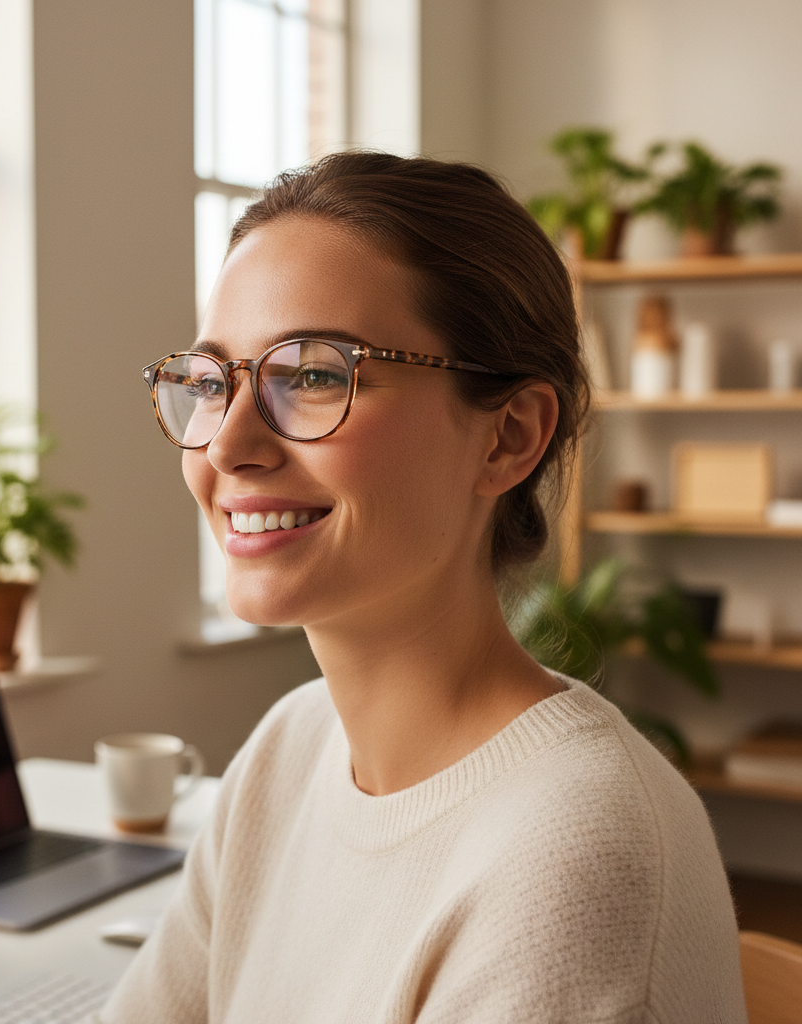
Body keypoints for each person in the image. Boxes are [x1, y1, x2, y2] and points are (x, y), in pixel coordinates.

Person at [103, 153, 746, 1023]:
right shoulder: (288, 750)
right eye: (214, 382)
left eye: (316, 374)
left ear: (508, 438)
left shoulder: (577, 846)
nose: (226, 446)